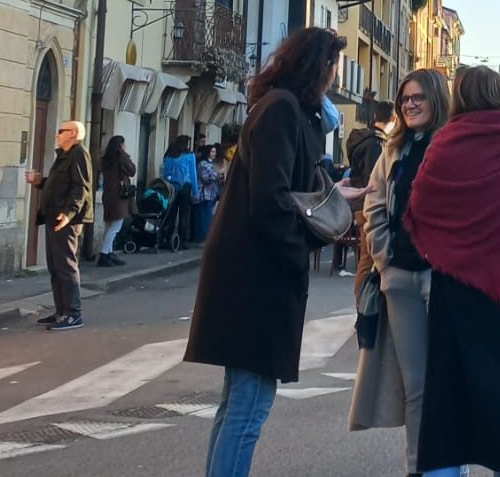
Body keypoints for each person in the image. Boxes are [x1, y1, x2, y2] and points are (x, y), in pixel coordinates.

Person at [186, 26, 347, 477]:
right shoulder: (281, 110)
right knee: (249, 407)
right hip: (257, 278)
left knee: (239, 403)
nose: (335, 77)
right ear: (320, 66)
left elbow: (286, 189)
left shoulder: (281, 107)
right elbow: (272, 199)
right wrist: (299, 251)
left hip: (248, 275)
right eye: (333, 65)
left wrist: (332, 197)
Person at [405, 66, 500, 477]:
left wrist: (449, 248)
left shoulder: (444, 145)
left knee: (448, 419)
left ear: (459, 97)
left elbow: (419, 210)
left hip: (457, 296)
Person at [349, 68, 452, 476]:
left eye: (418, 98)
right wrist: (383, 259)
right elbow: (373, 205)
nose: (409, 104)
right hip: (400, 279)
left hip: (440, 277)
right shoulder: (394, 148)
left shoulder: (450, 145)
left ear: (436, 100)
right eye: (404, 98)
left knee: (445, 378)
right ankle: (418, 467)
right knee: (416, 385)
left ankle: (448, 464)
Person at [25, 119, 92, 330]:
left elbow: (81, 187)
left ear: (73, 133)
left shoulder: (79, 153)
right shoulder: (64, 155)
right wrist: (40, 182)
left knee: (66, 265)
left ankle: (73, 313)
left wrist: (68, 213)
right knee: (55, 266)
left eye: (61, 131)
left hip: (66, 220)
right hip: (54, 216)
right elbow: (60, 184)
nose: (57, 135)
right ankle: (61, 311)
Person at [342, 107, 394, 279]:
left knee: (366, 257)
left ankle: (362, 300)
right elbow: (375, 178)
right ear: (394, 119)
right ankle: (362, 302)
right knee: (368, 259)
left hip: (359, 202)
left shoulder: (362, 139)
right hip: (369, 203)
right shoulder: (377, 143)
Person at [97, 135, 136, 267]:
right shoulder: (121, 156)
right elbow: (132, 170)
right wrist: (125, 155)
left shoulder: (105, 159)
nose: (125, 147)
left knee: (109, 224)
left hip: (107, 193)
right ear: (120, 145)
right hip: (118, 195)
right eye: (124, 144)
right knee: (116, 225)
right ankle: (104, 254)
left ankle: (109, 252)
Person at [162, 135, 199, 241]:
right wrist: (195, 192)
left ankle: (168, 237)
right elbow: (193, 174)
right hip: (186, 186)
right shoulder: (190, 155)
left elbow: (166, 173)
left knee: (171, 213)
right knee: (184, 214)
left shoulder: (169, 156)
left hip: (172, 186)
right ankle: (182, 240)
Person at [194, 144, 223, 242]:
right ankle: (203, 238)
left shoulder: (212, 164)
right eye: (212, 152)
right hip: (204, 194)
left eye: (215, 151)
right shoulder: (203, 164)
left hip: (212, 194)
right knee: (204, 217)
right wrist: (218, 174)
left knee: (208, 216)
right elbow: (206, 178)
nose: (214, 154)